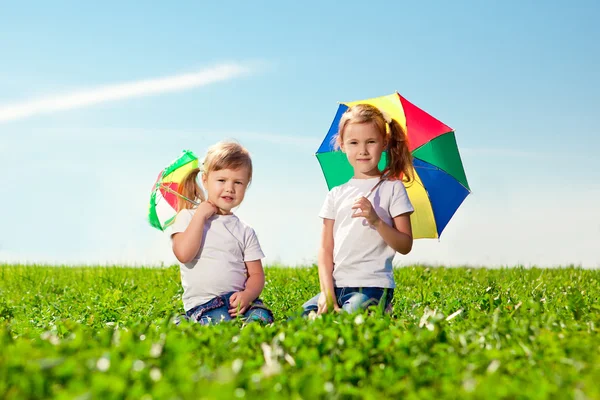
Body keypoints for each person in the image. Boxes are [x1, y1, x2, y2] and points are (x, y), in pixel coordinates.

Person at [302, 104, 415, 316]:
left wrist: (377, 221)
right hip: (338, 285)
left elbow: (405, 244)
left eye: (370, 142)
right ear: (342, 145)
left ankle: (381, 308)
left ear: (384, 143)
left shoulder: (392, 188)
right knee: (299, 318)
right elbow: (326, 249)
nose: (362, 150)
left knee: (348, 320)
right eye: (354, 143)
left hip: (373, 285)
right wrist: (327, 292)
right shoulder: (336, 194)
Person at [168, 141, 273, 325]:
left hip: (239, 302)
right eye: (222, 180)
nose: (229, 188)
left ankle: (249, 331)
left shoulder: (245, 230)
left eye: (238, 182)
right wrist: (200, 216)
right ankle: (188, 323)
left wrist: (247, 295)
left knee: (262, 316)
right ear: (206, 180)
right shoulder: (187, 217)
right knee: (218, 322)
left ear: (246, 185)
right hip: (204, 305)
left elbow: (256, 275)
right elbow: (184, 254)